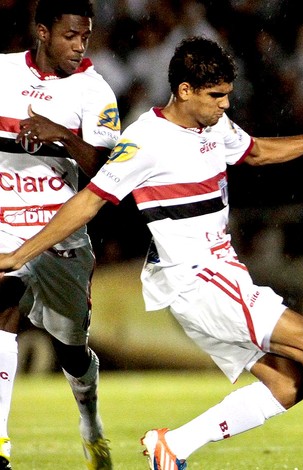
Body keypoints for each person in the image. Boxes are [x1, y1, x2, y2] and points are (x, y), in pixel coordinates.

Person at [0, 36, 303, 470]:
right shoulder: (145, 140)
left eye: (228, 95)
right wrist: (21, 254)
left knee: (287, 385)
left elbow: (258, 152)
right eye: (216, 96)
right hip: (195, 277)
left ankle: (173, 446)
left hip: (221, 272)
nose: (225, 105)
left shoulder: (214, 126)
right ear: (184, 90)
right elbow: (91, 200)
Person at [0, 0, 120, 468]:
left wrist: (62, 136)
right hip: (7, 226)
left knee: (73, 352)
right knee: (3, 308)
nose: (78, 46)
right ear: (43, 31)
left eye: (85, 37)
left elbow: (109, 174)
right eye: (70, 36)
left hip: (62, 238)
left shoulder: (95, 93)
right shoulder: (4, 72)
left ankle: (90, 421)